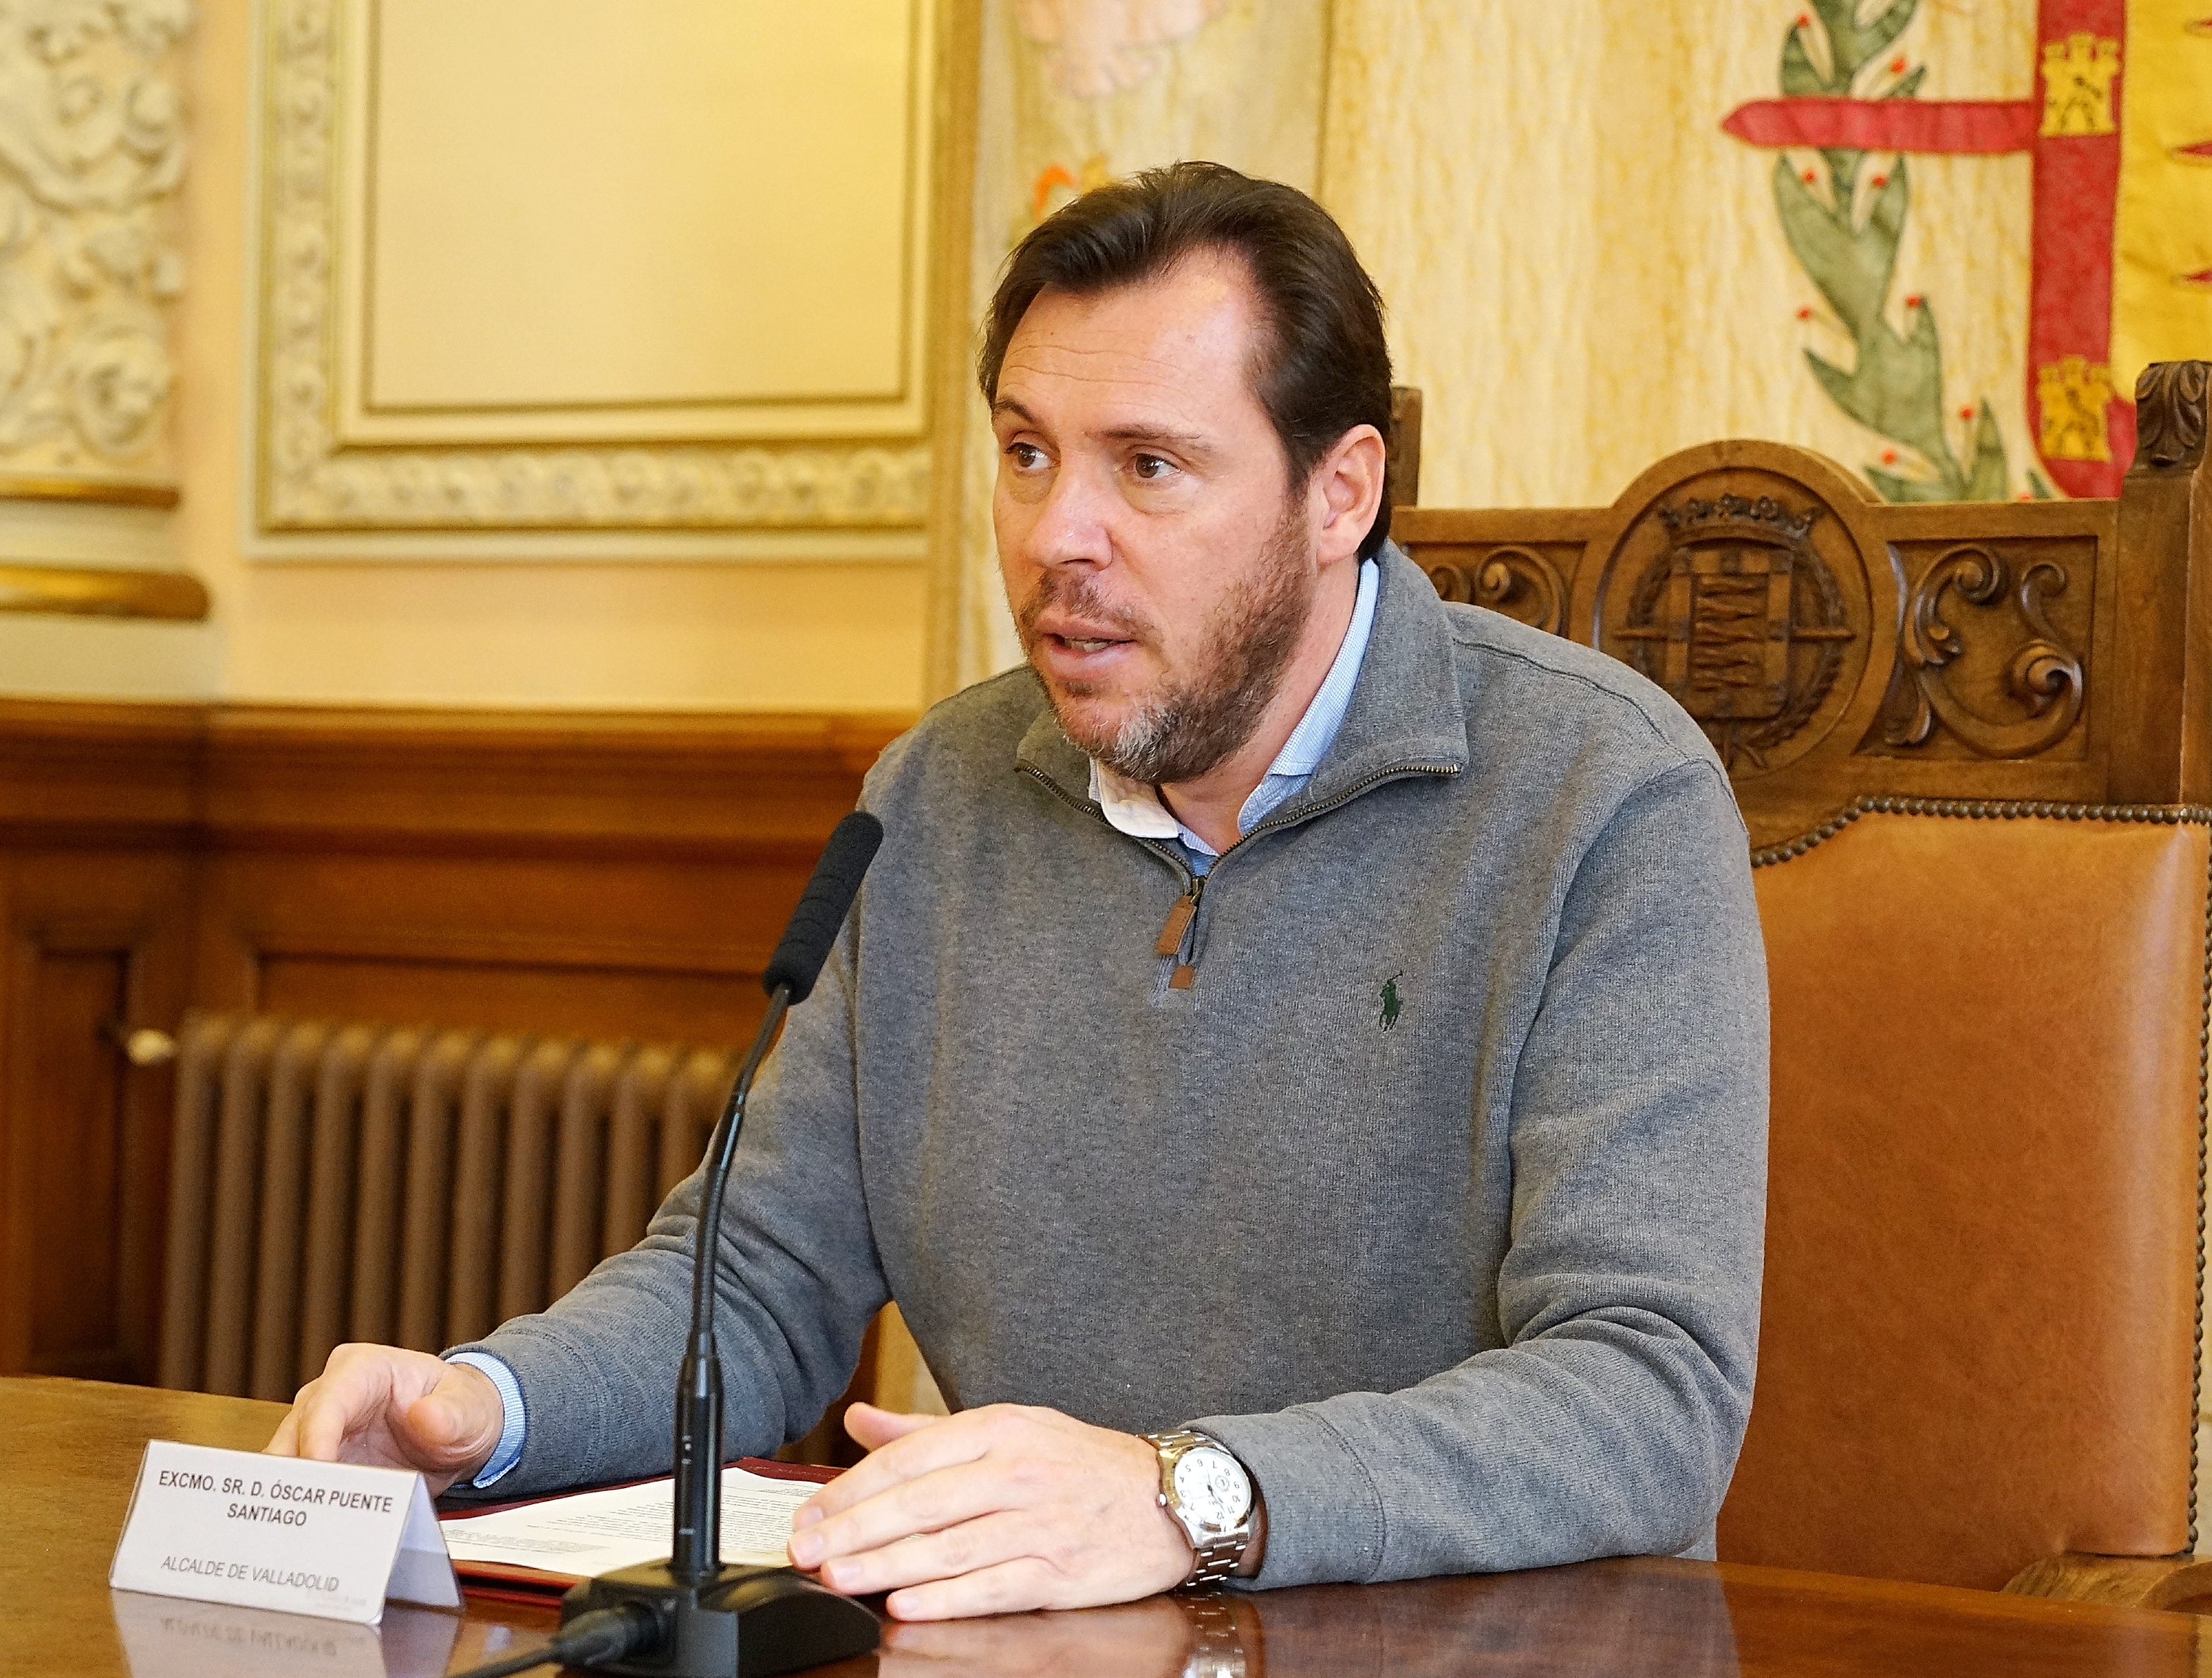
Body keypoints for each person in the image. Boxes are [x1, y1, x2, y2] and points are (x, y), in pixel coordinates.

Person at [267, 161, 1769, 1623]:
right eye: (1027, 453)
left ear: (1340, 493)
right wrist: (489, 1404)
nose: (1058, 536)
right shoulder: (939, 792)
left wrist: (1181, 1496)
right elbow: (762, 1275)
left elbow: (1645, 1392)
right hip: (1040, 1643)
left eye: (1149, 467)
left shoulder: (1606, 794)